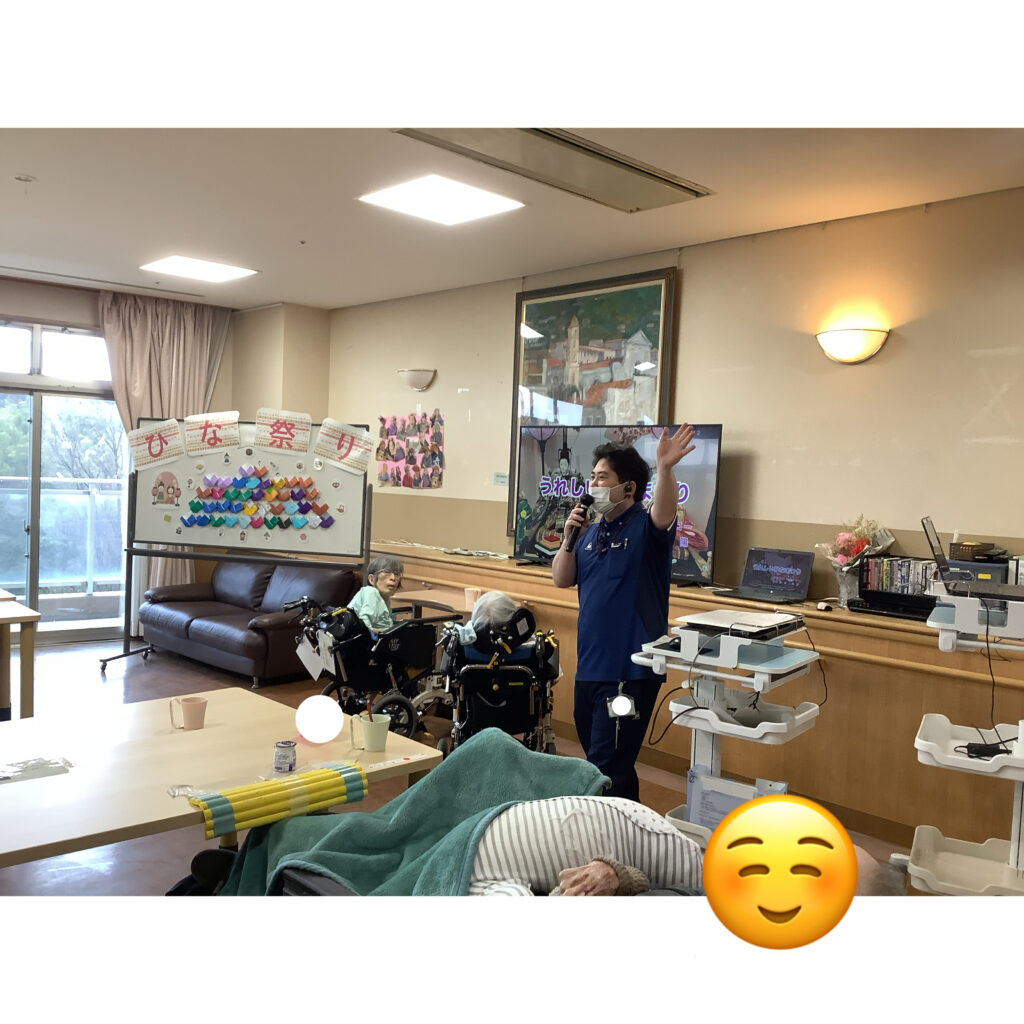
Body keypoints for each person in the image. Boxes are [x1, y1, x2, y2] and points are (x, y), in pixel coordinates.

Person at [552, 424, 696, 800]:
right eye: (592, 476)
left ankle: (604, 836)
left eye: (602, 478)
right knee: (608, 766)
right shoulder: (589, 533)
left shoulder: (647, 528)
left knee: (605, 769)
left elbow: (664, 511)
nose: (593, 485)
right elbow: (561, 579)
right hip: (590, 669)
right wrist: (568, 538)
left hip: (629, 673)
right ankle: (630, 828)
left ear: (628, 488)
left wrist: (665, 469)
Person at [347, 556, 403, 635]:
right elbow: (365, 628)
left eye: (396, 574)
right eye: (386, 572)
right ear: (372, 579)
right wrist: (383, 633)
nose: (393, 578)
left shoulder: (384, 597)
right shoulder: (371, 592)